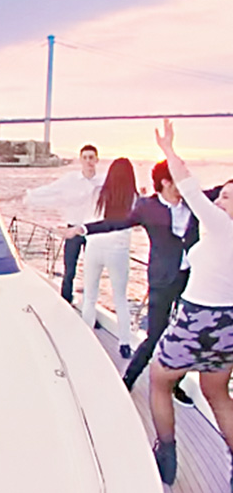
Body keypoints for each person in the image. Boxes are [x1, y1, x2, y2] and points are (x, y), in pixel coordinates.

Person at [64, 161, 222, 406]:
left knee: (190, 333)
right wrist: (82, 229)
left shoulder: (193, 199)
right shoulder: (147, 207)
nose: (186, 182)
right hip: (162, 279)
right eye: (179, 178)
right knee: (155, 334)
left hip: (192, 279)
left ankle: (176, 384)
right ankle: (128, 379)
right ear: (166, 182)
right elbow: (116, 222)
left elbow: (222, 190)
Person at [146, 119, 233, 486]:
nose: (219, 200)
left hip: (197, 318)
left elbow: (188, 186)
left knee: (159, 379)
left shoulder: (222, 225)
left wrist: (168, 150)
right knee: (217, 392)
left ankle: (166, 453)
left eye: (226, 196)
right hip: (229, 325)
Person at [25, 144, 105, 304]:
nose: (88, 161)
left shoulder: (103, 181)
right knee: (69, 269)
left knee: (92, 271)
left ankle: (89, 304)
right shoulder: (71, 179)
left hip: (93, 231)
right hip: (73, 229)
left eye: (91, 157)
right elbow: (52, 189)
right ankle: (66, 300)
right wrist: (31, 195)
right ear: (80, 160)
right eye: (85, 158)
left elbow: (119, 195)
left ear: (97, 160)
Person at [80, 158, 138, 359]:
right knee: (120, 298)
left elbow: (88, 218)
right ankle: (125, 344)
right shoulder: (134, 198)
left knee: (90, 295)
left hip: (94, 246)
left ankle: (86, 338)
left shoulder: (98, 193)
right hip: (118, 250)